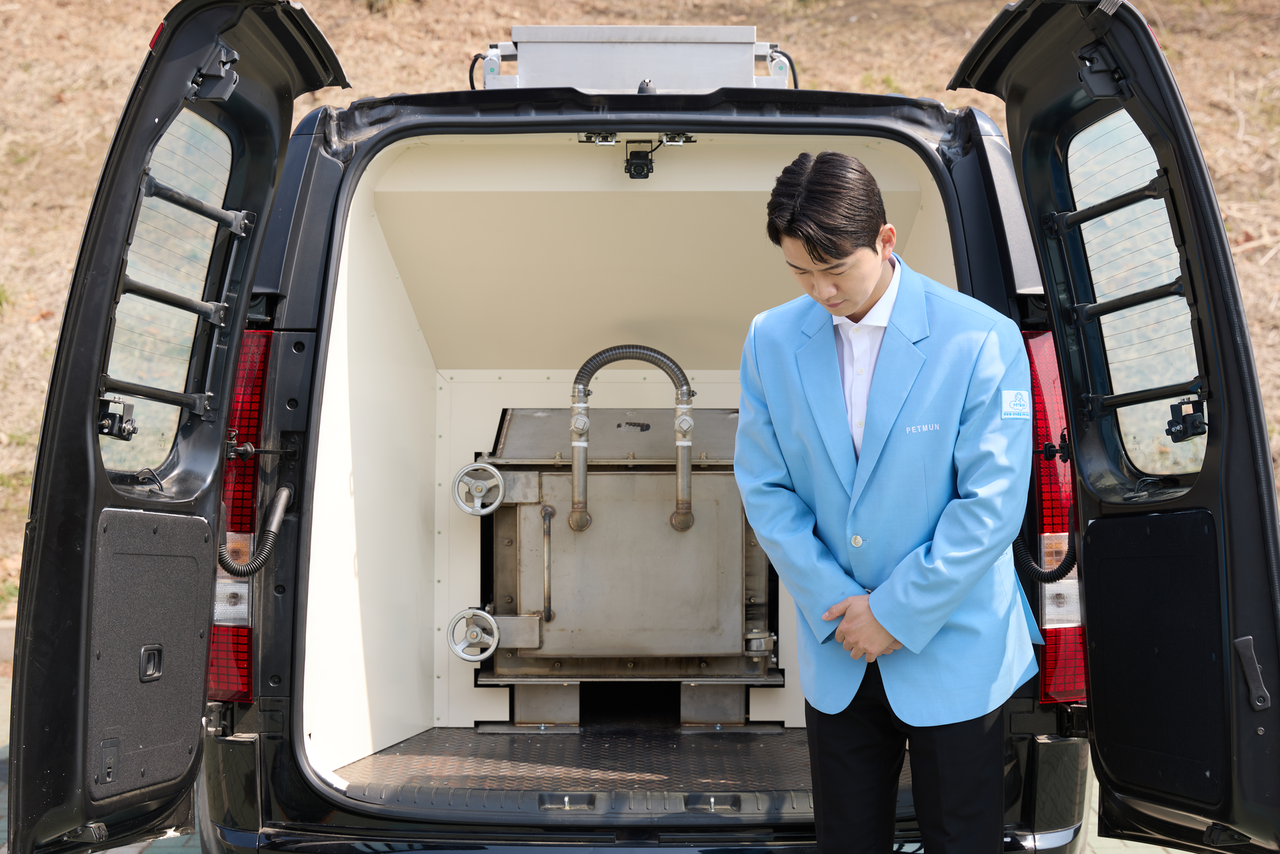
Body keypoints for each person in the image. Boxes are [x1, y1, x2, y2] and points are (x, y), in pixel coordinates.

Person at [734, 150, 1041, 854]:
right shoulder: (770, 340)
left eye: (835, 269)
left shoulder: (979, 338)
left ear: (885, 239)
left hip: (956, 642)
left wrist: (894, 613)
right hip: (839, 642)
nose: (821, 290)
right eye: (799, 272)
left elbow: (990, 505)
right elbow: (765, 488)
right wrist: (839, 602)